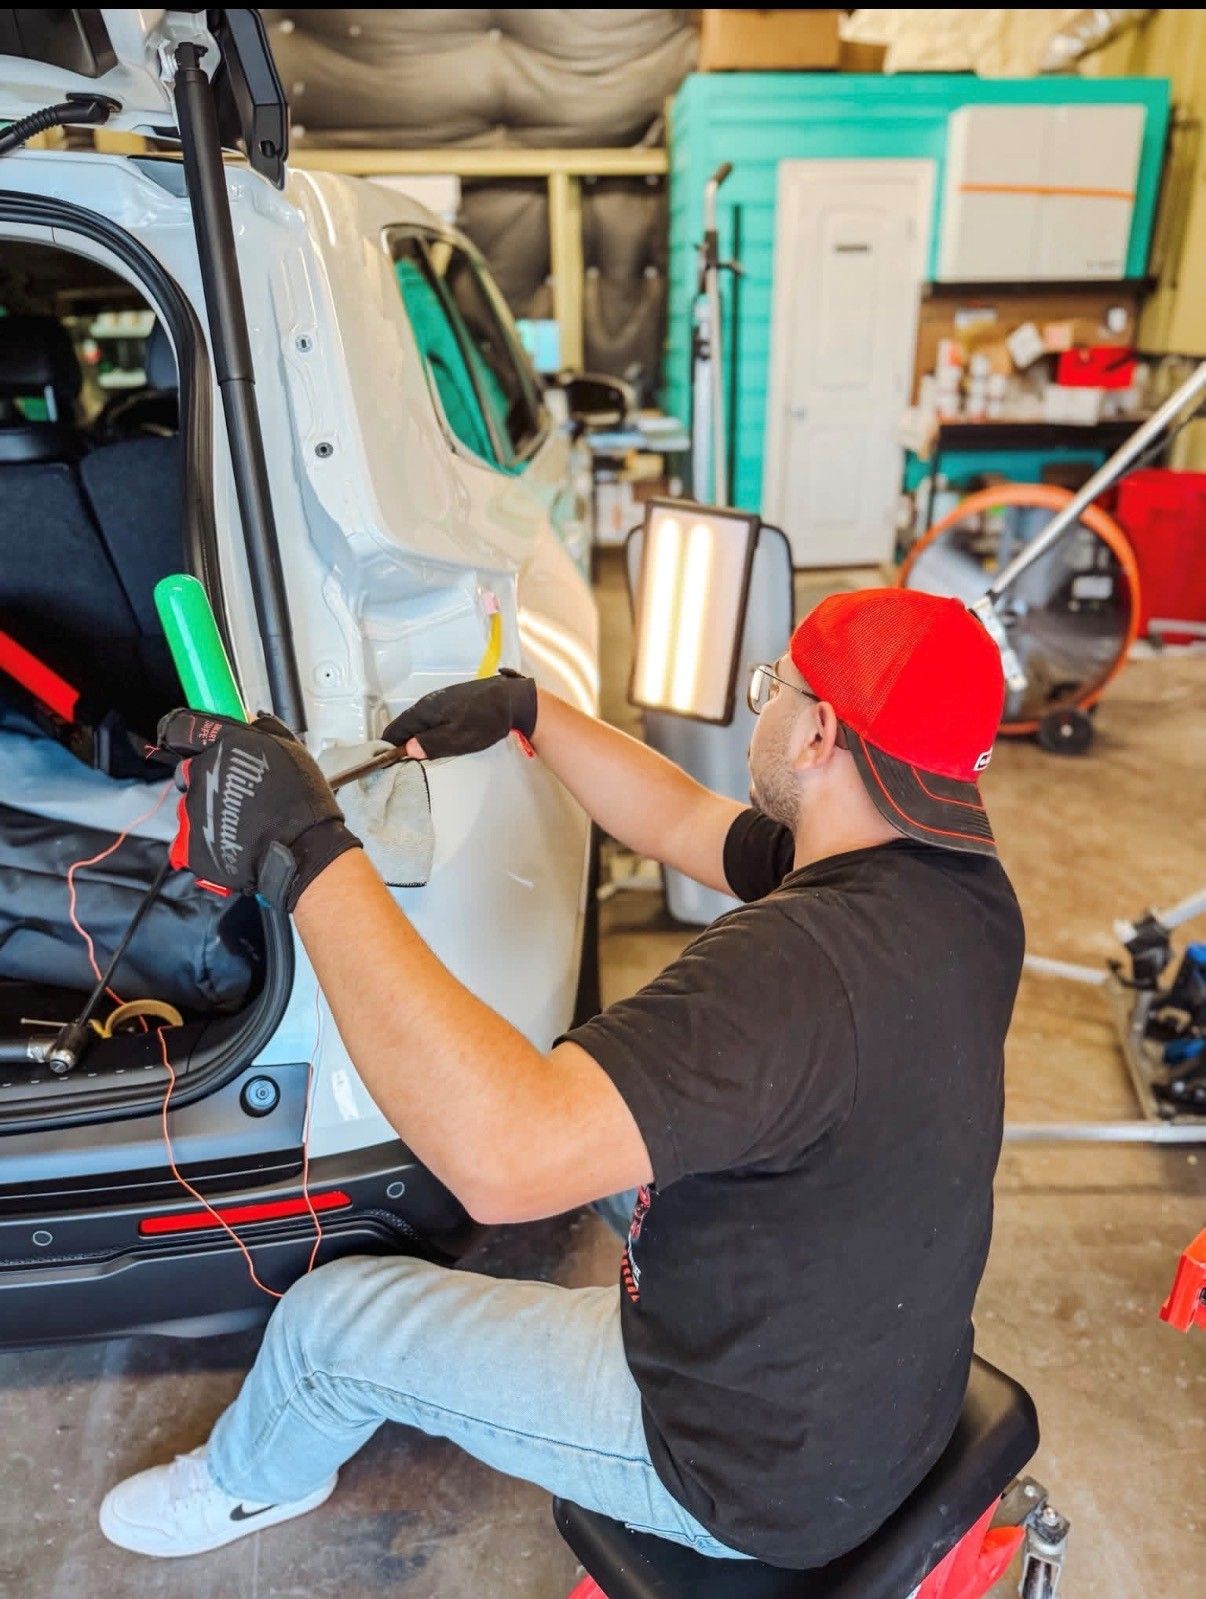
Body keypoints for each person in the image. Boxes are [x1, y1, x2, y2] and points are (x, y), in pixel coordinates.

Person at [99, 587, 1024, 1569]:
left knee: (330, 1328)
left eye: (774, 691)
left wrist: (308, 853)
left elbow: (502, 1160)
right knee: (620, 1122)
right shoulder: (955, 887)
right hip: (877, 1382)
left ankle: (251, 1481)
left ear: (817, 736)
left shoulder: (789, 974)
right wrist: (530, 712)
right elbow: (682, 818)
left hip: (743, 1461)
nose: (764, 709)